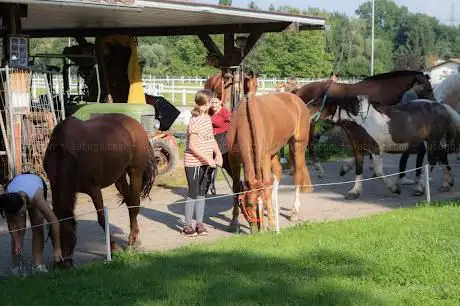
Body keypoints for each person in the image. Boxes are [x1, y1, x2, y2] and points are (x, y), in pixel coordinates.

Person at [0, 173, 63, 275]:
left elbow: (54, 221)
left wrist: (57, 248)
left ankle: (37, 265)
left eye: (21, 213)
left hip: (35, 185)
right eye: (19, 214)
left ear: (25, 203)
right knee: (19, 231)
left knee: (37, 226)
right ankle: (17, 267)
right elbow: (11, 224)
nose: (21, 215)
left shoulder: (37, 197)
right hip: (18, 187)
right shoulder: (9, 200)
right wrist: (16, 241)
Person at [182, 89, 223, 237]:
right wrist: (207, 159)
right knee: (193, 192)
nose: (212, 105)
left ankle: (199, 223)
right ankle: (187, 225)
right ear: (203, 105)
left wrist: (217, 154)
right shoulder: (195, 121)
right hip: (193, 163)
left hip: (206, 162)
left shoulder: (206, 118)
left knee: (201, 193)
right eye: (210, 102)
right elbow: (192, 146)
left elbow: (211, 138)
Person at [398, 77, 427, 184]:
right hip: (411, 129)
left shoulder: (409, 94)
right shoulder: (411, 95)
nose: (422, 89)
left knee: (407, 152)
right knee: (420, 150)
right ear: (416, 84)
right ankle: (416, 176)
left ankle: (403, 176)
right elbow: (410, 112)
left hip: (408, 128)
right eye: (421, 86)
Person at [206, 95, 233, 194]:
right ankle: (205, 188)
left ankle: (238, 184)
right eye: (212, 103)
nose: (213, 105)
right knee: (208, 164)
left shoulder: (224, 112)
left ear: (220, 102)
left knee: (225, 164)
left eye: (216, 103)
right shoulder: (209, 112)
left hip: (222, 139)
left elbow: (233, 122)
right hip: (211, 139)